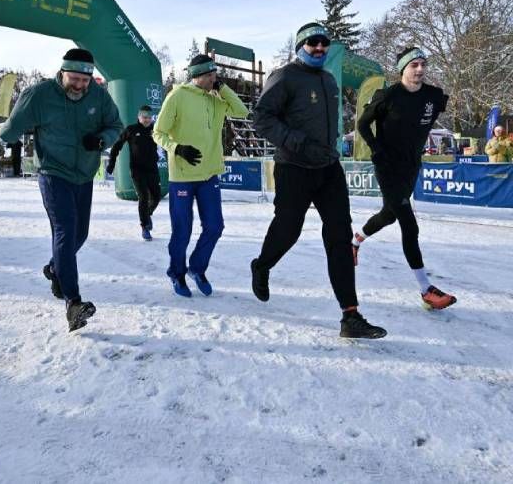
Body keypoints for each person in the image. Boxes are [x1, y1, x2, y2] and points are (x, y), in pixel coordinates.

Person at [250, 23, 386, 339]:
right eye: (313, 43)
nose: (320, 48)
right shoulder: (284, 76)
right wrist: (295, 141)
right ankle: (262, 265)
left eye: (324, 43)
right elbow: (262, 118)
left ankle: (350, 317)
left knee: (339, 236)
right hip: (294, 167)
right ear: (300, 46)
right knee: (288, 230)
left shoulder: (327, 79)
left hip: (328, 168)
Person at [0, 48, 123, 332]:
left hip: (84, 174)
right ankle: (73, 302)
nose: (80, 85)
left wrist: (102, 140)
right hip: (53, 173)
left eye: (85, 80)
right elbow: (11, 131)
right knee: (66, 230)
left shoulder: (99, 96)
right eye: (75, 79)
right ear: (63, 72)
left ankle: (56, 268)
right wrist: (5, 132)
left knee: (80, 234)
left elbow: (115, 125)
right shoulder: (39, 95)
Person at [354, 47, 456, 310]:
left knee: (389, 215)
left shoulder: (433, 96)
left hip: (412, 165)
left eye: (423, 64)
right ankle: (426, 290)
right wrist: (377, 149)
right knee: (409, 226)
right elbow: (363, 124)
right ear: (403, 70)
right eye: (414, 65)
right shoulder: (387, 95)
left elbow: (425, 120)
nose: (420, 69)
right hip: (388, 167)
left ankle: (353, 243)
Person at [152, 57, 248, 296]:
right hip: (183, 176)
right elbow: (158, 132)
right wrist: (178, 149)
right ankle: (176, 273)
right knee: (182, 230)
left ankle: (197, 268)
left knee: (215, 226)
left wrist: (223, 89)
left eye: (215, 75)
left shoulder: (217, 99)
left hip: (209, 175)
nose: (214, 79)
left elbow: (242, 111)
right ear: (197, 75)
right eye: (210, 75)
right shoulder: (177, 97)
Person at [108, 105, 166, 242]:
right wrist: (111, 164)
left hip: (152, 169)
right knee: (144, 197)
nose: (147, 120)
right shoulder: (131, 130)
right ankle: (145, 226)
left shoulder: (155, 130)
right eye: (144, 117)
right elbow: (116, 146)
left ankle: (148, 214)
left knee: (156, 196)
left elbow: (166, 144)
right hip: (137, 170)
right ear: (139, 117)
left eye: (149, 118)